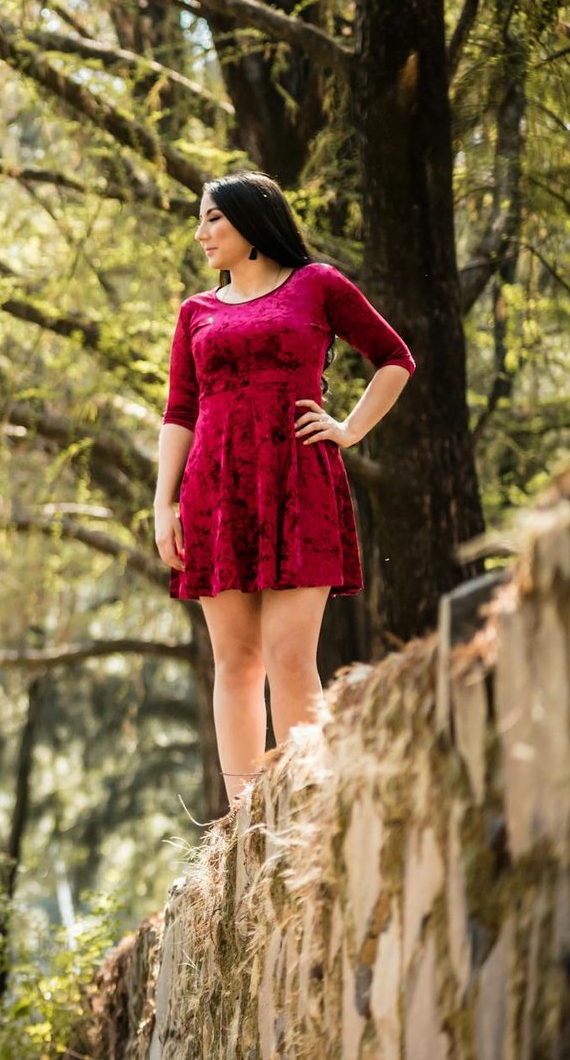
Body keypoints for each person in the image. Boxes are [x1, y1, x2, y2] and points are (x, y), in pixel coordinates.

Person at [153, 171, 415, 805]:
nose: (201, 233)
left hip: (300, 484)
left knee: (290, 657)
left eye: (213, 218)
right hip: (213, 494)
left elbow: (395, 357)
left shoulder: (316, 286)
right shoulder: (198, 311)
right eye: (200, 220)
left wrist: (349, 429)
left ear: (253, 220)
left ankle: (308, 810)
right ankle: (242, 828)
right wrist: (163, 504)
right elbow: (180, 411)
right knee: (236, 663)